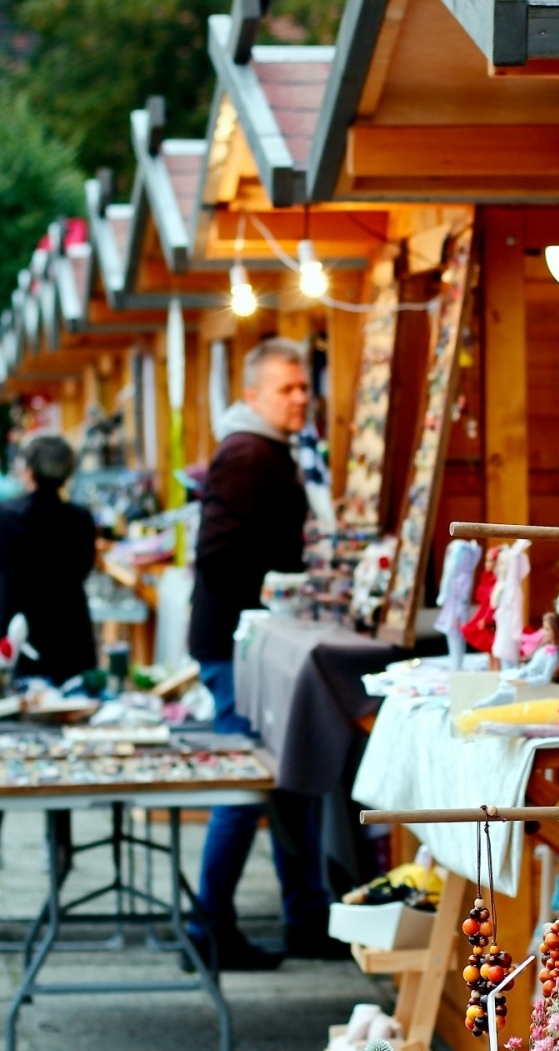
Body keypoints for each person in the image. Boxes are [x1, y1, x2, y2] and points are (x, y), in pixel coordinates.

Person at [186, 339, 343, 970]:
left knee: (287, 785)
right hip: (238, 649)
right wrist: (279, 588)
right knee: (244, 786)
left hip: (254, 644)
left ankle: (304, 916)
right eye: (286, 388)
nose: (300, 397)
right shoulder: (246, 453)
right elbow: (217, 553)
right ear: (253, 395)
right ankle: (209, 926)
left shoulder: (269, 449)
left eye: (304, 387)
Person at [0, 434, 96, 869]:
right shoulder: (79, 518)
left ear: (27, 470)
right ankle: (58, 842)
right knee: (61, 739)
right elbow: (84, 567)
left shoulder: (6, 516)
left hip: (15, 632)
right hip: (67, 636)